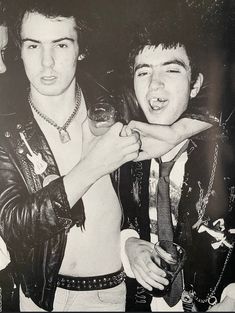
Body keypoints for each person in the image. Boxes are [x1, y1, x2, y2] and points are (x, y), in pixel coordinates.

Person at [0, 0, 141, 311]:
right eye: (33, 46)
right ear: (19, 50)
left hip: (109, 293)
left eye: (61, 44)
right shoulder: (5, 125)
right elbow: (12, 225)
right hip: (39, 299)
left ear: (81, 48)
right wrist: (92, 167)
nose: (46, 63)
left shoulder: (118, 102)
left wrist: (177, 130)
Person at [119, 17, 235, 312]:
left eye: (171, 70)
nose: (155, 84)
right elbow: (115, 217)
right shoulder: (123, 153)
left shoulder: (225, 155)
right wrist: (129, 245)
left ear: (195, 85)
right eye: (143, 72)